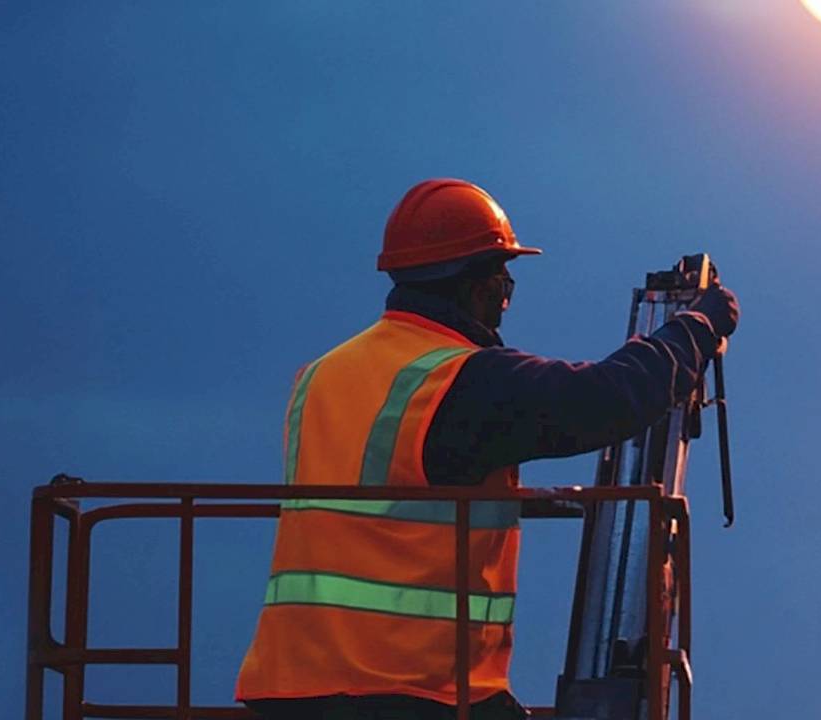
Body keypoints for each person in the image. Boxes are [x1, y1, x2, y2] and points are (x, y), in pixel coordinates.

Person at [236, 179, 739, 720]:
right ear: (477, 284)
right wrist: (698, 328)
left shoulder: (322, 376)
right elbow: (603, 401)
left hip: (290, 690)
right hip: (412, 693)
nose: (505, 299)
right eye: (505, 281)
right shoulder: (457, 381)